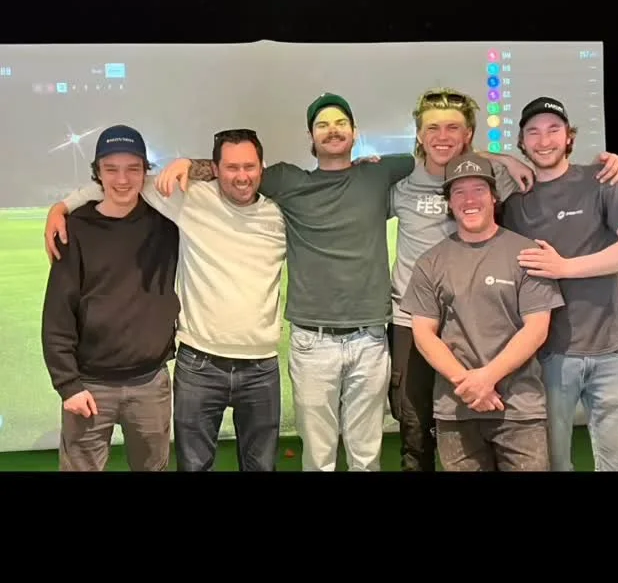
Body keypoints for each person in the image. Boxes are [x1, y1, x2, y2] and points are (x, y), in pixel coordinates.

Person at [156, 94, 417, 471]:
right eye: (322, 125)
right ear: (310, 136)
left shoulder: (381, 172)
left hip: (370, 339)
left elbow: (431, 158)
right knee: (318, 458)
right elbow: (235, 171)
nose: (332, 131)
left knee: (366, 456)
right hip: (313, 342)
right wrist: (187, 164)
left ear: (355, 131)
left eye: (340, 123)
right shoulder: (287, 180)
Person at [44, 129, 287, 472]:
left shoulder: (274, 215)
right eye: (231, 167)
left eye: (249, 166)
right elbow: (125, 184)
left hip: (230, 371)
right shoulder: (182, 203)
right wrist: (62, 207)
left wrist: (188, 163)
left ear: (261, 168)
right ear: (215, 169)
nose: (241, 175)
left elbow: (131, 181)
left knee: (256, 465)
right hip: (179, 368)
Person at [400, 152, 566, 471]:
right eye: (459, 192)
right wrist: (469, 385)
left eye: (478, 189)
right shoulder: (430, 263)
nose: (469, 200)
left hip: (519, 409)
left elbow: (536, 329)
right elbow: (423, 334)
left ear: (493, 196)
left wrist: (486, 379)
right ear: (449, 203)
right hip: (456, 410)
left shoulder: (526, 253)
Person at [502, 96, 618, 472]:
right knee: (552, 464)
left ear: (569, 137)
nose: (544, 140)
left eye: (553, 130)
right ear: (521, 142)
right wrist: (502, 159)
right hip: (547, 357)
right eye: (533, 132)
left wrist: (565, 267)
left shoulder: (604, 180)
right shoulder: (514, 202)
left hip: (612, 352)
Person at [41, 125, 180, 472]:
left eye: (133, 168)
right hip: (89, 385)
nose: (122, 179)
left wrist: (189, 165)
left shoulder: (167, 225)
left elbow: (222, 175)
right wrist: (68, 385)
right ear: (98, 173)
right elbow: (57, 315)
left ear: (145, 172)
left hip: (150, 383)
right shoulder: (75, 229)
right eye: (111, 169)